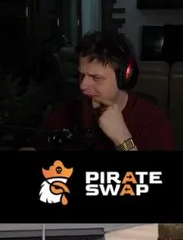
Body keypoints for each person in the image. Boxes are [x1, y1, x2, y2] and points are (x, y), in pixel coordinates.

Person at [37, 31, 175, 151]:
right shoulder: (64, 111)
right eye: (81, 75)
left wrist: (123, 140)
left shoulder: (152, 122)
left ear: (124, 78)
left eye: (96, 78)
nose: (83, 85)